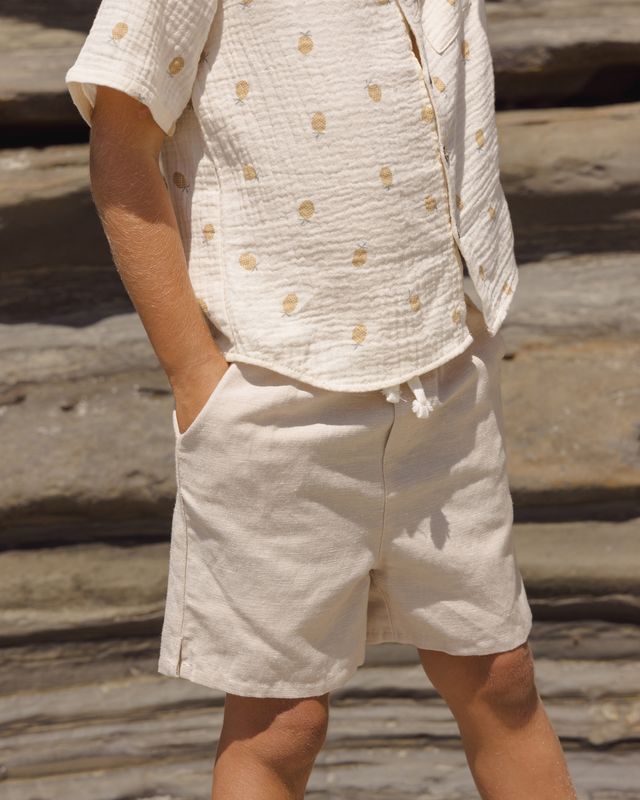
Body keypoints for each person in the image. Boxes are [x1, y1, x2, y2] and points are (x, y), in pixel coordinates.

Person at [66, 1, 578, 797]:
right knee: (282, 724)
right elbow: (122, 143)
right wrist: (195, 374)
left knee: (501, 678)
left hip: (442, 376)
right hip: (273, 390)